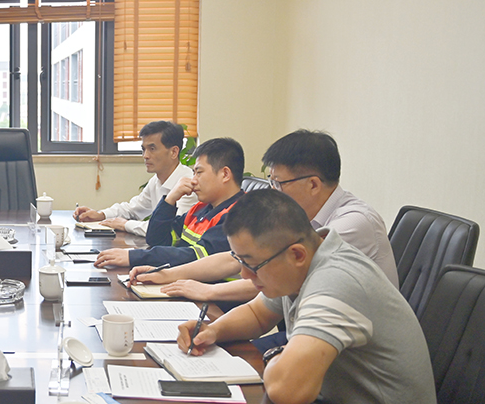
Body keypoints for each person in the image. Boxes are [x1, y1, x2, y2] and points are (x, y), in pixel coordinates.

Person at [178, 190, 436, 404]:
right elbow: (257, 314)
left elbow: (287, 391)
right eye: (239, 261)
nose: (244, 274)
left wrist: (274, 356)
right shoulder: (302, 262)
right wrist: (212, 331)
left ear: (297, 255)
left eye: (251, 264)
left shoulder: (336, 282)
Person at [131, 130, 398, 302]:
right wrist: (168, 275)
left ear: (313, 184)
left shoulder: (353, 223)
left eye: (279, 183)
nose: (273, 191)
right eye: (271, 182)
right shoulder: (299, 218)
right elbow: (234, 259)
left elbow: (278, 276)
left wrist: (208, 291)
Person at [95, 137, 244, 269]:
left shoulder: (239, 215)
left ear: (225, 174)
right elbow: (157, 239)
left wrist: (134, 257)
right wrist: (170, 199)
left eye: (199, 172)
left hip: (215, 290)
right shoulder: (201, 209)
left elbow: (195, 257)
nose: (193, 180)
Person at [73, 120, 197, 237]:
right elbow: (133, 209)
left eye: (152, 149)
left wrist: (125, 224)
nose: (145, 156)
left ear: (174, 152)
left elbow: (169, 229)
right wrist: (100, 214)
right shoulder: (156, 180)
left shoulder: (189, 184)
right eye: (144, 149)